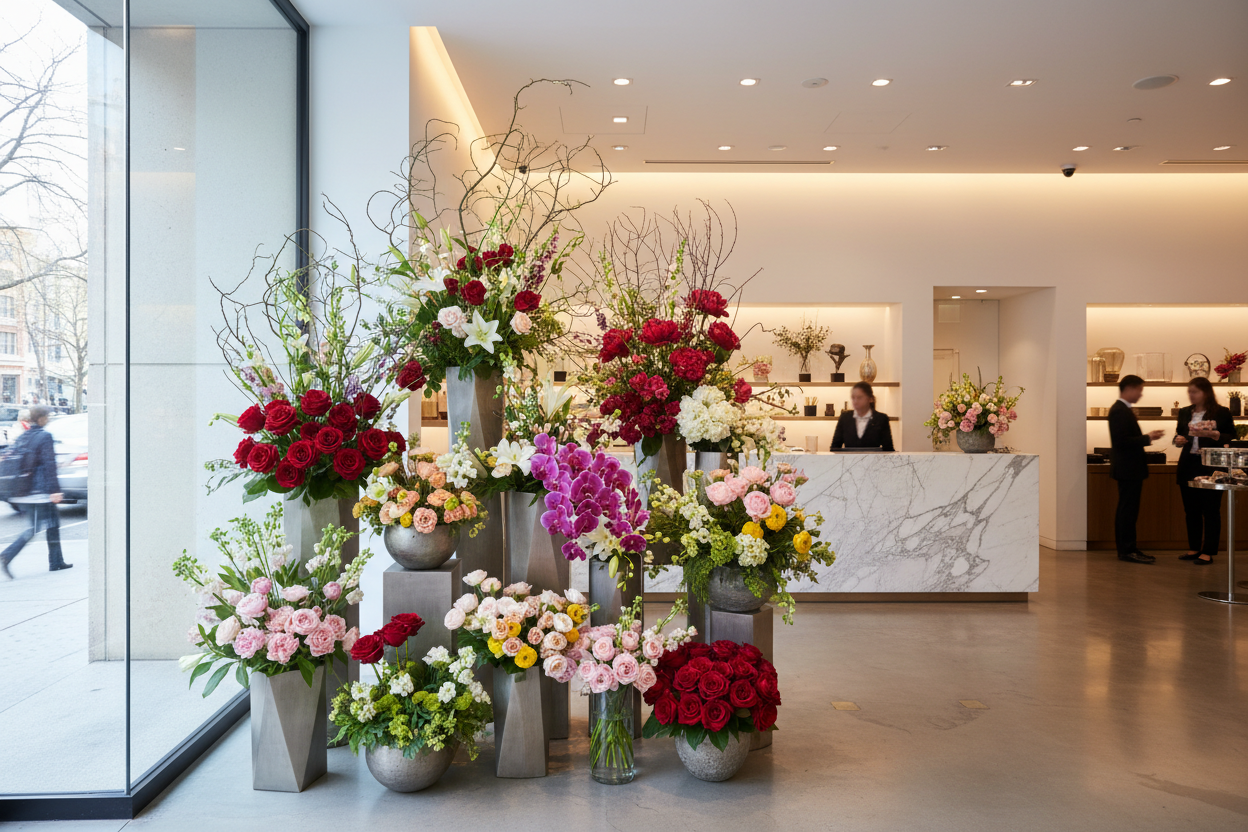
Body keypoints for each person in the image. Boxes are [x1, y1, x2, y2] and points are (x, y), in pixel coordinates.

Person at [0, 405, 70, 579]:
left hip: (24, 489)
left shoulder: (24, 436)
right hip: (39, 491)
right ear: (41, 418)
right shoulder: (45, 436)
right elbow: (49, 465)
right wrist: (55, 490)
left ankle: (56, 562)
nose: (49, 419)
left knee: (53, 524)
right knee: (34, 527)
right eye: (48, 416)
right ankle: (7, 555)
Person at [1173, 376, 1235, 565]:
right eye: (1189, 392)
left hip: (1211, 465)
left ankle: (1208, 551)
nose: (1191, 395)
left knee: (1210, 509)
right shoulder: (1184, 412)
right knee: (1190, 509)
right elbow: (1179, 434)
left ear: (1206, 392)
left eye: (1195, 392)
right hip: (1188, 464)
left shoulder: (1221, 412)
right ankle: (1194, 548)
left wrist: (1215, 434)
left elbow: (1231, 436)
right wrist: (1178, 440)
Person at [1108, 375, 1165, 564]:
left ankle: (1129, 548)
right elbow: (1121, 441)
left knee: (1129, 510)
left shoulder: (1123, 410)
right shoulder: (1119, 411)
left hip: (1129, 469)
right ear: (1130, 389)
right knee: (1127, 511)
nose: (1141, 394)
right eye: (1139, 389)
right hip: (1128, 469)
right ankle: (1127, 550)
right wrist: (1147, 438)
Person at [830, 381, 895, 451]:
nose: (855, 401)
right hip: (849, 461)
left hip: (873, 461)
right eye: (853, 398)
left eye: (859, 397)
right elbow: (835, 448)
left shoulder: (881, 419)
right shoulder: (845, 418)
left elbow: (888, 450)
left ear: (870, 399)